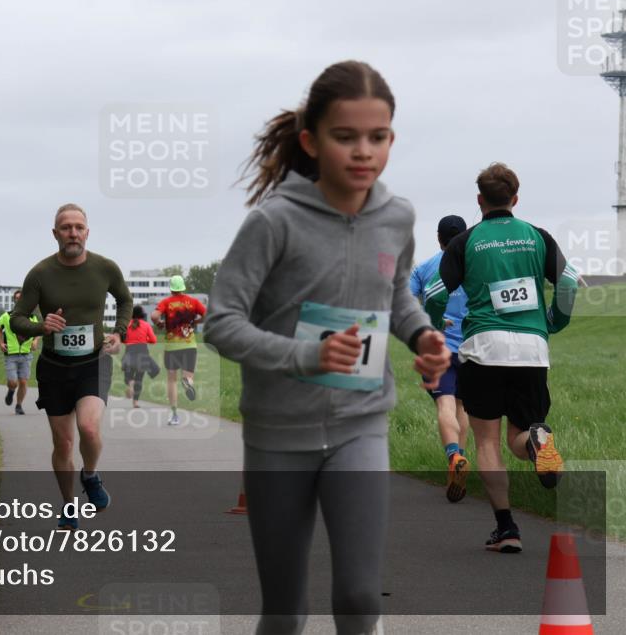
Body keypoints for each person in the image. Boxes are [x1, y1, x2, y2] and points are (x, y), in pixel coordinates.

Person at [203, 60, 450, 635]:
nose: (363, 151)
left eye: (378, 137)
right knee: (286, 610)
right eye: (346, 137)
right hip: (278, 435)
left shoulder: (398, 217)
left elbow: (396, 297)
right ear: (312, 142)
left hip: (360, 424)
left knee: (362, 596)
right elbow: (221, 322)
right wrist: (303, 356)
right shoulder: (273, 223)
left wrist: (422, 335)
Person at [424, 162, 578, 553]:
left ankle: (507, 529)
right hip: (531, 350)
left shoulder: (466, 242)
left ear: (480, 200)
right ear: (515, 197)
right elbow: (570, 281)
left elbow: (435, 294)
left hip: (483, 349)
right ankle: (538, 442)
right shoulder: (538, 237)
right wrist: (553, 322)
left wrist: (436, 326)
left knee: (489, 442)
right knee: (520, 435)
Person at [10, 203, 132, 531]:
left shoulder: (105, 268)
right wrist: (41, 326)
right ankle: (68, 505)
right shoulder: (40, 274)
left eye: (79, 227)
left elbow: (125, 299)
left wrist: (119, 333)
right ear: (55, 234)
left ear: (87, 232)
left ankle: (90, 474)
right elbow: (18, 319)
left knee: (89, 429)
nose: (73, 233)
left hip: (93, 361)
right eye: (66, 227)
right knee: (62, 444)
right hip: (54, 367)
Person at [410, 215, 472, 502]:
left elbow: (407, 305)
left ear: (438, 238)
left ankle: (454, 458)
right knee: (464, 407)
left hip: (438, 348)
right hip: (473, 349)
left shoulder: (423, 269)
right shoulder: (475, 265)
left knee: (445, 405)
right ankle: (458, 466)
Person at [151, 276, 206, 426]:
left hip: (172, 347)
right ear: (183, 287)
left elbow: (154, 315)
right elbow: (207, 314)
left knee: (171, 380)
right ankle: (188, 382)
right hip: (189, 345)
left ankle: (174, 414)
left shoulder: (167, 302)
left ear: (171, 288)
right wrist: (196, 321)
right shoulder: (193, 302)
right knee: (187, 376)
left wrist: (159, 323)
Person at [0, 290, 40, 415]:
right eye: (17, 298)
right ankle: (11, 391)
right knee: (13, 382)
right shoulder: (6, 316)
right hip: (11, 354)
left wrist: (36, 341)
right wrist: (0, 343)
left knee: (23, 382)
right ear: (14, 300)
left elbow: (38, 331)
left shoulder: (32, 317)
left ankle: (19, 405)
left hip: (26, 354)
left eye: (21, 297)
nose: (19, 300)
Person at [122, 305, 158, 409]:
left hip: (129, 352)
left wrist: (130, 341)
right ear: (142, 314)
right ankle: (135, 402)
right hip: (143, 353)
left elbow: (123, 339)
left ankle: (130, 383)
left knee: (128, 377)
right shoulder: (146, 325)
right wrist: (143, 340)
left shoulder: (127, 324)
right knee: (139, 379)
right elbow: (154, 340)